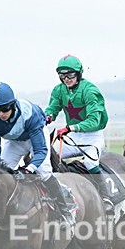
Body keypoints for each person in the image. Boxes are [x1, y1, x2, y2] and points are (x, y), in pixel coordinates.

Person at [0, 82, 74, 225]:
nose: (0, 113)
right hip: (15, 142)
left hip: (36, 138)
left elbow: (40, 151)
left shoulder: (29, 114)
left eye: (4, 109)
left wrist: (28, 169)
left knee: (43, 172)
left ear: (13, 105)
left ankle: (65, 211)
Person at [45, 54, 115, 215]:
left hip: (92, 136)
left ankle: (106, 197)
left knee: (90, 163)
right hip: (73, 135)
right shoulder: (59, 90)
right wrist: (46, 117)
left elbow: (94, 120)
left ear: (79, 74)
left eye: (70, 74)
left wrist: (71, 128)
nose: (66, 79)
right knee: (49, 154)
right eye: (62, 75)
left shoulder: (90, 91)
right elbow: (52, 109)